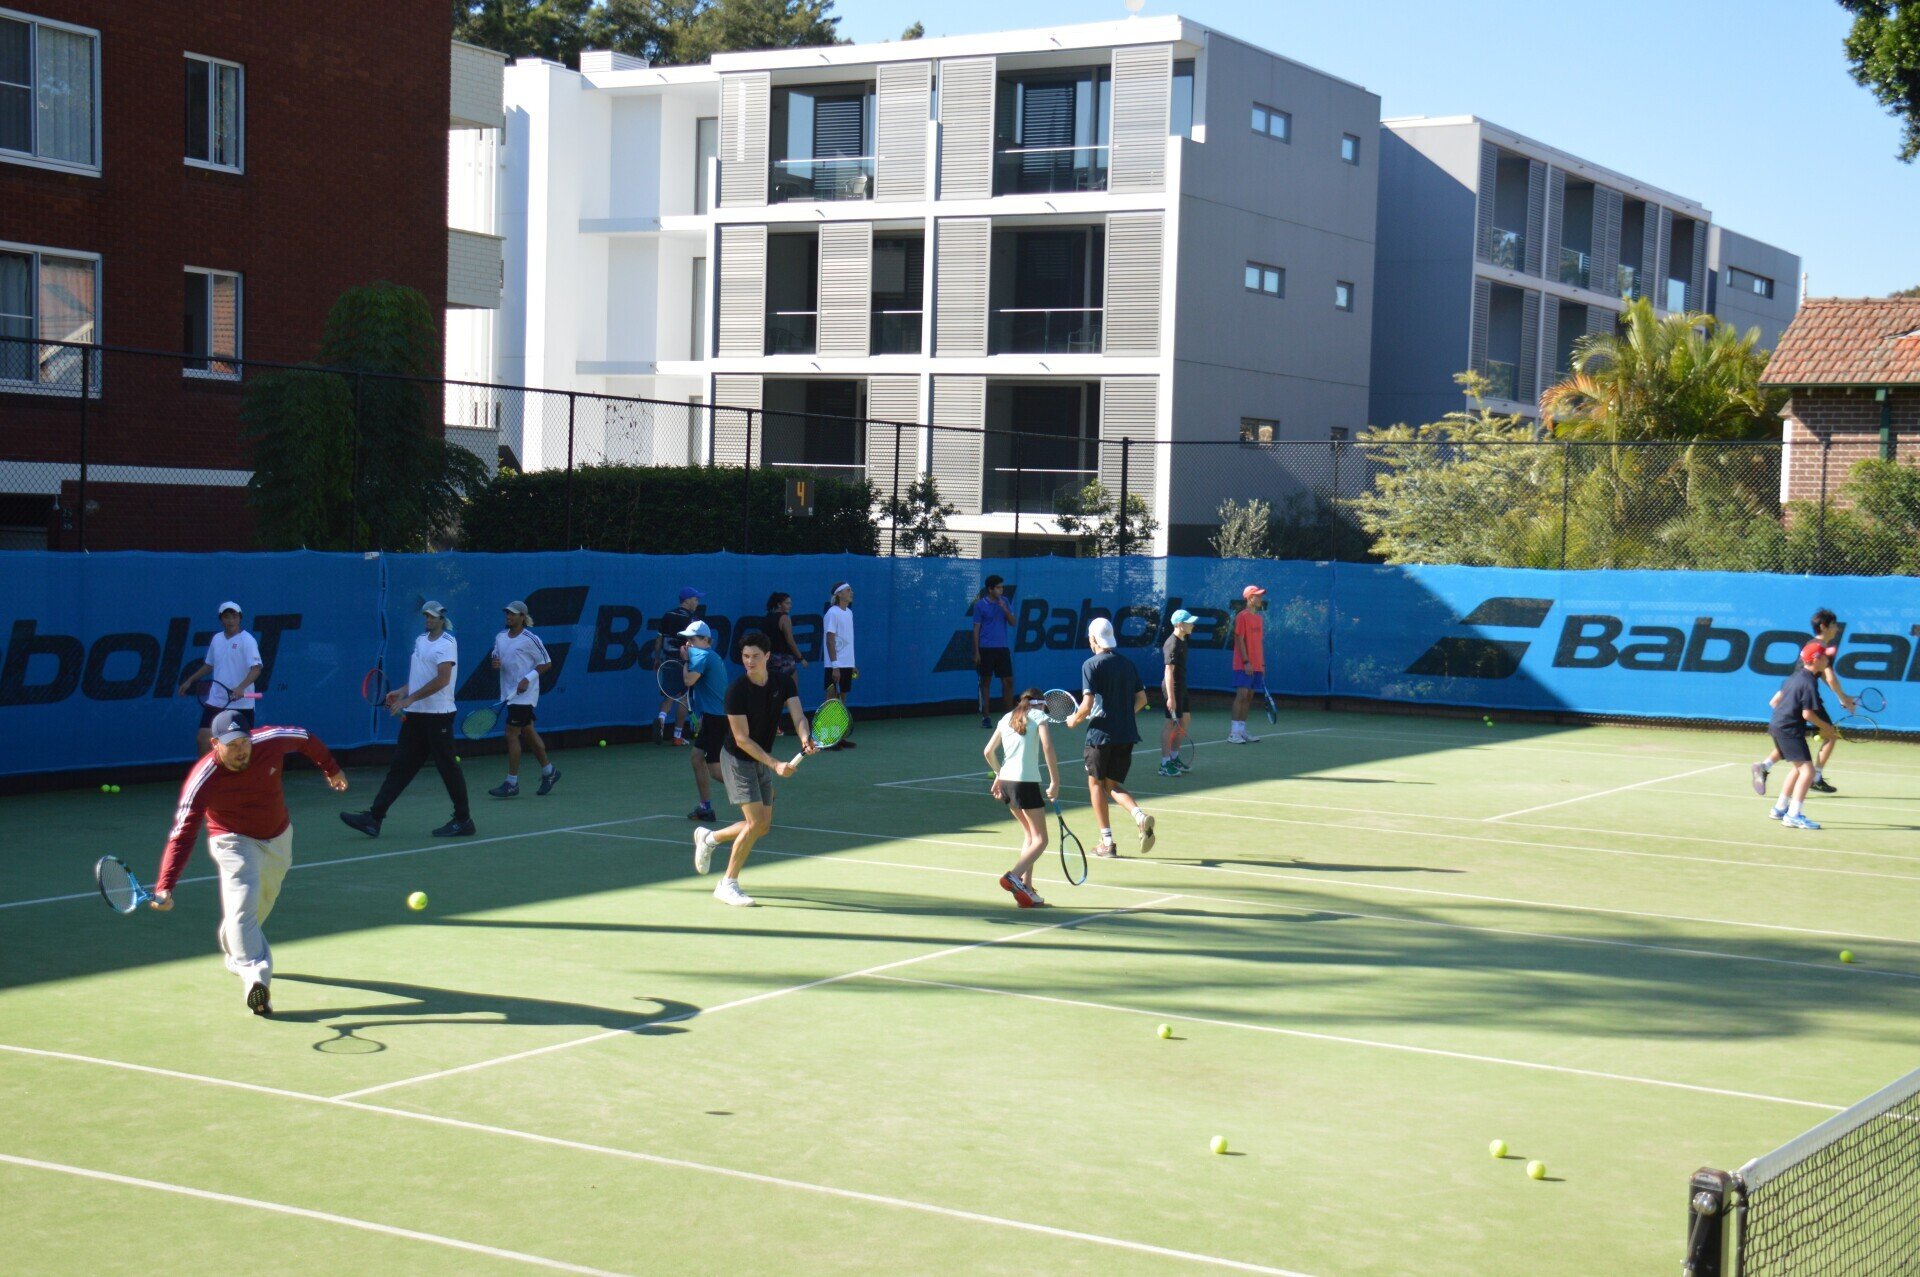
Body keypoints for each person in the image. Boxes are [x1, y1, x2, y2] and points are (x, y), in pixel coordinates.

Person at [149, 710, 347, 1016]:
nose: (241, 750)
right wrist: (165, 885)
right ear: (215, 744)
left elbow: (305, 738)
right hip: (233, 841)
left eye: (244, 741)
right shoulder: (203, 778)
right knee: (243, 905)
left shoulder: (270, 740)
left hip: (278, 836)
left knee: (260, 903)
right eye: (232, 745)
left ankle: (235, 946)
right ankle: (256, 978)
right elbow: (182, 835)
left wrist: (331, 769)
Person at [693, 631, 814, 906]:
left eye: (755, 656)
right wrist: (775, 764)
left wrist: (805, 737)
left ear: (767, 656)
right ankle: (727, 884)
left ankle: (710, 838)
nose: (749, 661)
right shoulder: (736, 691)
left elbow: (798, 716)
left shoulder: (783, 683)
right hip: (737, 758)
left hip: (760, 757)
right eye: (746, 656)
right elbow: (742, 739)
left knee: (762, 826)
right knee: (755, 822)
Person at [340, 600, 473, 838]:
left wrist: (409, 700)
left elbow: (442, 680)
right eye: (426, 616)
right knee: (400, 767)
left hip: (439, 716)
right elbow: (421, 677)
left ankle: (463, 820)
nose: (428, 619)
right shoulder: (421, 640)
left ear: (442, 619)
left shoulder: (447, 643)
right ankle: (374, 819)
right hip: (416, 717)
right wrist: (403, 692)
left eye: (432, 616)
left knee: (448, 768)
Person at [1066, 617, 1155, 858]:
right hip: (1126, 734)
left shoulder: (1090, 664)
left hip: (1100, 735)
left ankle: (1107, 843)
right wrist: (1122, 715)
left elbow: (1087, 705)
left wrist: (1074, 720)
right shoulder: (1127, 664)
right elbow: (1142, 700)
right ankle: (1139, 816)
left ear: (1093, 639)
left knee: (1095, 784)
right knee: (1111, 785)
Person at [1754, 608, 1856, 797]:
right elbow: (1829, 677)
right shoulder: (1820, 649)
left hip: (1793, 693)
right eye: (1834, 625)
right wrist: (1844, 699)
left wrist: (1844, 696)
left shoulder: (1813, 645)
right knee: (1831, 735)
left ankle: (1765, 766)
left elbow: (1822, 676)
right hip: (1803, 696)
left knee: (1792, 739)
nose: (1837, 628)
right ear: (1824, 626)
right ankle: (1815, 778)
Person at [984, 688, 1061, 907]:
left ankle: (1025, 888)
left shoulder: (1006, 718)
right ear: (1040, 704)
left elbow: (988, 752)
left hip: (1008, 783)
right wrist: (1055, 781)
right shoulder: (1039, 715)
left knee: (1030, 835)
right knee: (1041, 840)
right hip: (1025, 783)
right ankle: (1014, 876)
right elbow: (1047, 746)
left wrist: (999, 774)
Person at [487, 600, 559, 799]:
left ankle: (511, 783)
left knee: (511, 733)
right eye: (507, 613)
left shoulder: (531, 639)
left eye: (513, 614)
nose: (508, 616)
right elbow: (496, 656)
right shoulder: (500, 637)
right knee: (527, 731)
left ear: (522, 617)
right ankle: (549, 771)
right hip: (509, 693)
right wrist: (495, 662)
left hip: (525, 695)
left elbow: (546, 663)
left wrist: (527, 679)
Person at [1765, 641, 1837, 831]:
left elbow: (1776, 703)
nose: (1828, 659)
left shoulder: (1794, 678)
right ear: (1816, 659)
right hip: (1788, 730)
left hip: (1780, 726)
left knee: (1799, 769)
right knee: (1808, 772)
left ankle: (1780, 808)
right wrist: (1826, 728)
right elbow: (1807, 714)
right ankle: (1793, 816)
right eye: (1825, 656)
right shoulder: (1809, 682)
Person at [177, 601, 263, 754]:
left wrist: (241, 688)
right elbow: (209, 665)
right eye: (227, 617)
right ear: (221, 619)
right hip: (216, 700)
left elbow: (256, 669)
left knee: (238, 750)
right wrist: (190, 680)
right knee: (203, 739)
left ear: (240, 618)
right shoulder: (217, 639)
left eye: (234, 616)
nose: (231, 620)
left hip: (240, 704)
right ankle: (208, 770)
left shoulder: (248, 640)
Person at [679, 619, 731, 823]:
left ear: (706, 640)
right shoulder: (711, 656)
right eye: (687, 640)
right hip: (713, 717)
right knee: (696, 757)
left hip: (717, 719)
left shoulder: (703, 655)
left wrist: (685, 660)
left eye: (692, 640)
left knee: (715, 770)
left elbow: (688, 680)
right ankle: (705, 808)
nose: (688, 644)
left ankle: (757, 791)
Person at [653, 586, 703, 745]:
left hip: (667, 661)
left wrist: (657, 658)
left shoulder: (667, 615)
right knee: (683, 699)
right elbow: (696, 643)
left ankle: (661, 718)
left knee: (669, 696)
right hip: (684, 663)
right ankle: (677, 736)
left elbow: (659, 639)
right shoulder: (693, 619)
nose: (697, 602)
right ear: (687, 601)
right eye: (695, 599)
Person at [971, 575, 1017, 728]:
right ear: (990, 589)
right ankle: (986, 717)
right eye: (998, 587)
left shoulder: (1005, 602)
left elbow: (1013, 622)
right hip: (985, 649)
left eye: (1002, 587)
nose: (1001, 590)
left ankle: (1010, 718)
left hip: (1002, 649)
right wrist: (976, 652)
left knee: (1008, 681)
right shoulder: (979, 605)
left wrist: (1004, 608)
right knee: (986, 682)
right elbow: (976, 629)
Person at [1159, 609, 1198, 777]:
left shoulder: (1182, 641)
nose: (1192, 625)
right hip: (1172, 688)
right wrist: (1171, 697)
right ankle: (1164, 763)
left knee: (1185, 720)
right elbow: (1168, 671)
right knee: (1170, 724)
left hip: (1181, 687)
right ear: (1180, 624)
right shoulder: (1172, 643)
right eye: (1189, 622)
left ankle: (1174, 757)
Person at [1229, 585, 1268, 744]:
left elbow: (1259, 643)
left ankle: (1241, 730)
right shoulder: (1242, 616)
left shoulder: (1259, 619)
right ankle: (1233, 733)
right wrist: (1246, 661)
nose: (1260, 599)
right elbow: (1239, 639)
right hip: (1243, 664)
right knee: (1242, 695)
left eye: (1260, 596)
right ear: (1249, 598)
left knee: (1249, 697)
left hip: (1257, 665)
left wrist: (1262, 664)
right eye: (1257, 596)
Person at [822, 581, 857, 749]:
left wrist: (852, 664)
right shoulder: (832, 613)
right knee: (831, 701)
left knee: (841, 701)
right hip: (833, 665)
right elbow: (830, 640)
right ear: (839, 594)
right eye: (848, 590)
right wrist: (835, 665)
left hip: (847, 664)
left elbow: (848, 640)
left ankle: (837, 737)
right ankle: (825, 739)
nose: (851, 592)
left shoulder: (849, 613)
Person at [763, 591, 808, 681]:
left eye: (790, 603)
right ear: (779, 604)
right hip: (784, 659)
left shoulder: (767, 618)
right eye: (787, 603)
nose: (790, 606)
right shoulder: (785, 618)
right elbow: (790, 641)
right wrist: (801, 658)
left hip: (769, 659)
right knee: (792, 688)